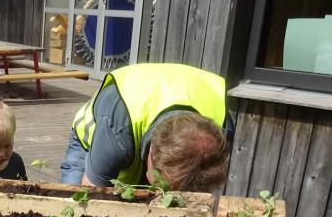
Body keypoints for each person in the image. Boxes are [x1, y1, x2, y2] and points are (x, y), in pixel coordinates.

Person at [60, 63, 233, 191]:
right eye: (165, 187)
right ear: (151, 153)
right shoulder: (117, 132)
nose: (166, 196)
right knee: (75, 205)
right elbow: (92, 190)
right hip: (92, 138)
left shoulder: (221, 132)